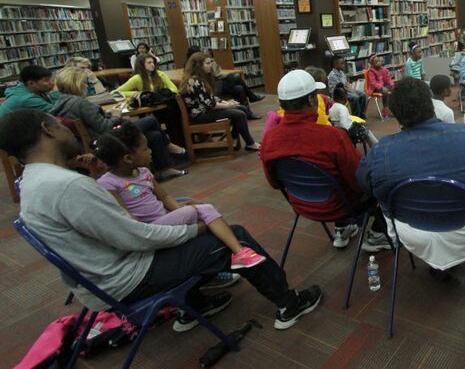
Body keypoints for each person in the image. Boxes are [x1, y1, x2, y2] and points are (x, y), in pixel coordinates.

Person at [1, 109, 321, 331]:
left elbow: (104, 226)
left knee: (197, 228)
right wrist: (191, 229)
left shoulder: (33, 181)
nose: (66, 128)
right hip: (127, 278)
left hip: (100, 275)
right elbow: (135, 237)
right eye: (59, 125)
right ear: (47, 131)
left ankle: (195, 305)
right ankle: (288, 303)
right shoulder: (67, 187)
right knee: (232, 236)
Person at [357, 77, 465, 279]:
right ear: (431, 104)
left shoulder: (381, 150)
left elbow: (364, 182)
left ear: (396, 115)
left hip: (411, 233)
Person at [94, 122, 265, 271]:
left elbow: (164, 196)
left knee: (199, 212)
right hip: (151, 229)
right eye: (145, 148)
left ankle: (224, 261)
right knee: (205, 210)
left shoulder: (144, 172)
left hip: (165, 218)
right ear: (128, 158)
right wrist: (188, 213)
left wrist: (180, 210)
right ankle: (238, 252)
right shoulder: (108, 184)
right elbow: (125, 216)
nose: (151, 151)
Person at [260, 70, 390, 251]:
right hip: (339, 205)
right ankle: (377, 234)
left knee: (334, 178)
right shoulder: (332, 136)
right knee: (384, 180)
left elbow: (274, 183)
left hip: (300, 203)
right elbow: (358, 179)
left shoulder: (269, 138)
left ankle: (343, 227)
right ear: (311, 101)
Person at [51, 67, 187, 181]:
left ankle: (163, 169)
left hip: (94, 140)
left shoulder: (61, 102)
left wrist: (110, 114)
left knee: (155, 135)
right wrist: (116, 115)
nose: (86, 86)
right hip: (106, 139)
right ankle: (168, 147)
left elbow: (95, 120)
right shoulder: (80, 103)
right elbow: (105, 127)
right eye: (84, 83)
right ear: (76, 84)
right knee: (150, 120)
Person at [182, 52, 260, 151]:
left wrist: (226, 103)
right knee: (240, 114)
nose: (211, 65)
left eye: (210, 62)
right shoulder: (195, 81)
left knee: (242, 108)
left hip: (206, 110)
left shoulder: (200, 78)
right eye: (207, 63)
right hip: (201, 115)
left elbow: (211, 97)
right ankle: (250, 143)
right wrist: (229, 106)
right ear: (198, 66)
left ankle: (233, 138)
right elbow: (211, 104)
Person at [366, 54, 395, 119]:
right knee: (386, 92)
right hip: (375, 88)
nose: (378, 63)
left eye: (379, 61)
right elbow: (373, 83)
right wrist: (381, 87)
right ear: (372, 64)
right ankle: (385, 110)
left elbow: (388, 79)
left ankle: (392, 108)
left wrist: (392, 84)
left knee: (393, 89)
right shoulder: (371, 71)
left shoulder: (384, 69)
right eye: (376, 62)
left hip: (384, 86)